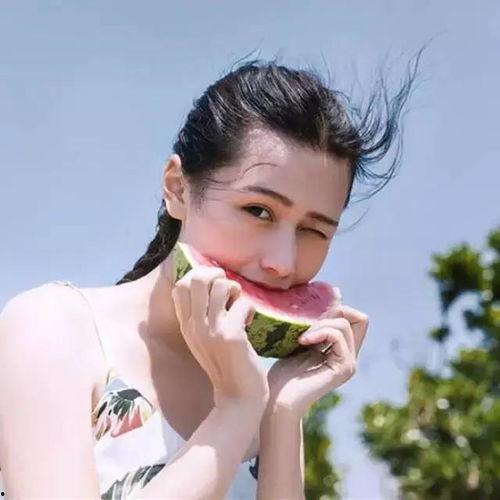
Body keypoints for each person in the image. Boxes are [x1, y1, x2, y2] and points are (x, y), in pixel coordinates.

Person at [0, 52, 423, 499]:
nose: (282, 261)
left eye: (313, 230)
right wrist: (235, 410)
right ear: (177, 188)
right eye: (258, 211)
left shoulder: (269, 399)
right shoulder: (53, 327)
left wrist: (280, 414)